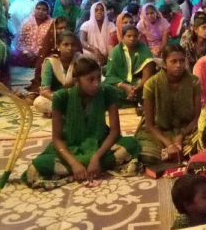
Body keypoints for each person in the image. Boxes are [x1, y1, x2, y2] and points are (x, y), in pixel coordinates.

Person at [22, 57, 140, 189]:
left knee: (131, 144)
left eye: (98, 78)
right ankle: (85, 168)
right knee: (36, 168)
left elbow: (114, 132)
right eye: (90, 80)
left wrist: (96, 157)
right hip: (70, 146)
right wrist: (73, 163)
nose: (96, 84)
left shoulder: (108, 92)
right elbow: (57, 139)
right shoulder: (61, 97)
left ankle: (84, 168)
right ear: (76, 81)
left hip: (100, 143)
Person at [136, 45, 202, 164]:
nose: (178, 65)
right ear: (164, 64)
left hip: (187, 130)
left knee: (203, 146)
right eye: (173, 61)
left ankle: (174, 153)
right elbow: (149, 125)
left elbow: (197, 117)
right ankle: (169, 152)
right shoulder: (151, 84)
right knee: (148, 156)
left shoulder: (194, 81)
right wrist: (169, 144)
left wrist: (181, 136)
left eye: (182, 61)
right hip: (159, 131)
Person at [104, 25, 156, 106]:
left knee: (150, 89)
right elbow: (110, 76)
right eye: (129, 36)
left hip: (140, 84)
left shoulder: (144, 50)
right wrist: (125, 87)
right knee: (106, 89)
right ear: (123, 37)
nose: (132, 38)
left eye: (135, 36)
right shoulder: (117, 51)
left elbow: (147, 76)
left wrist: (135, 89)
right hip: (121, 84)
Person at [33, 32, 82, 117]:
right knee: (38, 102)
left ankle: (59, 113)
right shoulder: (51, 62)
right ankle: (69, 111)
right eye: (66, 45)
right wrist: (59, 98)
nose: (70, 48)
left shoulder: (81, 60)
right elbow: (44, 91)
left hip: (76, 97)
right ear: (58, 47)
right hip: (56, 97)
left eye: (73, 45)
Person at [11, 1, 53, 67]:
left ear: (48, 12)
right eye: (38, 8)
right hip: (27, 53)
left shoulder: (51, 25)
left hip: (43, 54)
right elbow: (20, 42)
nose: (40, 11)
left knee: (49, 60)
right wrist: (26, 52)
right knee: (15, 54)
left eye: (44, 10)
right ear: (34, 9)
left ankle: (37, 64)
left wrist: (39, 54)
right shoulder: (26, 23)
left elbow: (51, 43)